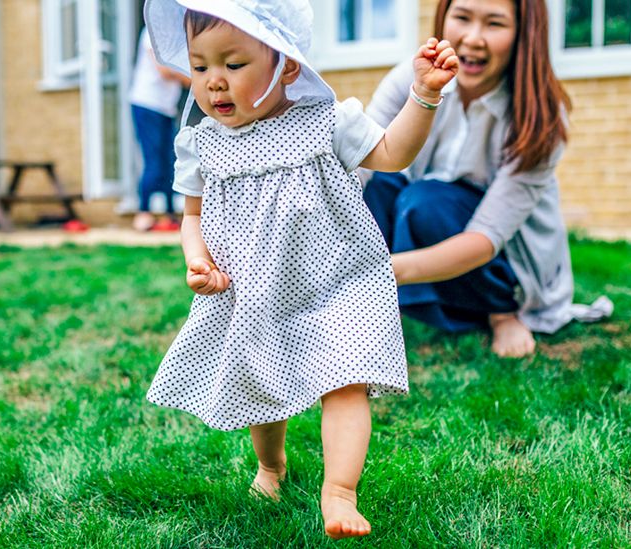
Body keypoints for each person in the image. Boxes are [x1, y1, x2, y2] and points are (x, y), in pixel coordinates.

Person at [144, 0, 458, 539]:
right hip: (252, 293)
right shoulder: (199, 144)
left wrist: (423, 94)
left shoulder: (327, 120)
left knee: (347, 382)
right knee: (261, 389)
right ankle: (272, 465)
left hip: (339, 282)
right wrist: (197, 260)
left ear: (286, 64)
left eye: (234, 65)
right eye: (200, 67)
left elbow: (392, 153)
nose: (214, 82)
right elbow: (190, 218)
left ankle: (339, 490)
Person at [362, 0, 612, 358]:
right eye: (462, 17)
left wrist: (381, 269)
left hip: (503, 258)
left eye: (494, 24)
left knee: (426, 203)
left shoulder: (540, 116)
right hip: (431, 235)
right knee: (379, 184)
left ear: (524, 35)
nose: (473, 38)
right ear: (443, 17)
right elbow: (359, 163)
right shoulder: (410, 78)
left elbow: (487, 236)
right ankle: (366, 307)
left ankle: (502, 311)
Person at [130, 26, 190, 232]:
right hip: (147, 104)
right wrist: (197, 81)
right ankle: (143, 212)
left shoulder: (177, 37)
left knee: (170, 160)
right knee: (153, 158)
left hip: (166, 107)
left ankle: (169, 214)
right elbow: (164, 70)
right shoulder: (152, 32)